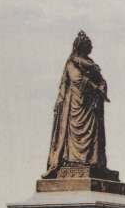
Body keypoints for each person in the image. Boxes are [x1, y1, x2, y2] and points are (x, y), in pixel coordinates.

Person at [45, 30, 110, 176]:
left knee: (93, 133)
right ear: (82, 46)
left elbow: (101, 80)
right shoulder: (72, 62)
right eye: (88, 45)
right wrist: (95, 87)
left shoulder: (91, 63)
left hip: (91, 105)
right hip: (76, 104)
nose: (91, 47)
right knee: (74, 135)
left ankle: (93, 162)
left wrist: (102, 87)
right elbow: (77, 79)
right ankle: (74, 162)